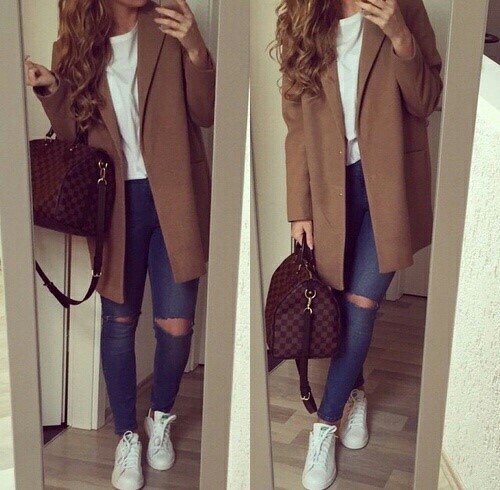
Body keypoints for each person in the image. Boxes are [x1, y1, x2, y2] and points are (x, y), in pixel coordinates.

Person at [25, 0, 215, 488]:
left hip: (175, 194)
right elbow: (73, 134)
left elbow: (206, 111)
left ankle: (160, 416)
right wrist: (51, 90)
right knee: (119, 321)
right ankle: (127, 435)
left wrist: (195, 46)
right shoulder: (73, 42)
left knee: (176, 324)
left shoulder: (168, 24)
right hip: (113, 203)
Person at [273, 0, 442, 488]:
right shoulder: (304, 15)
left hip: (389, 184)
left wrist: (399, 35)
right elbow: (296, 127)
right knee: (339, 302)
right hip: (331, 187)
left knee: (362, 305)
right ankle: (356, 391)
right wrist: (299, 207)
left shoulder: (402, 7)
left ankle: (324, 426)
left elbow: (426, 100)